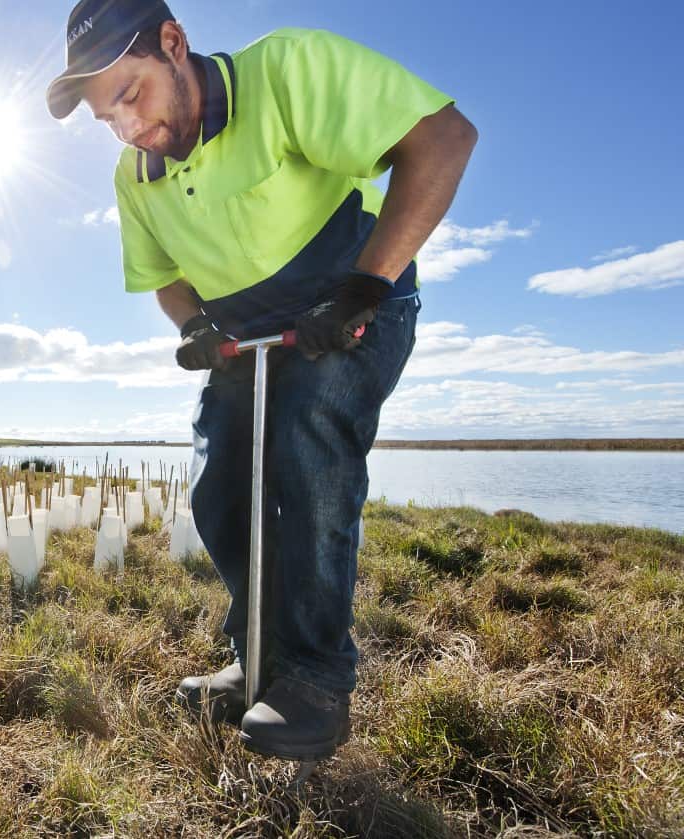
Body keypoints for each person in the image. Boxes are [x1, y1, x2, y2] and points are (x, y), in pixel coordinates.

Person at [46, 0, 475, 762]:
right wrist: (194, 326)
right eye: (108, 119)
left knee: (309, 443)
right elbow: (165, 277)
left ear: (173, 42)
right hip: (248, 339)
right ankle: (258, 656)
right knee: (220, 485)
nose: (128, 128)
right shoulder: (135, 174)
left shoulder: (285, 71)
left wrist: (364, 286)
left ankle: (316, 678)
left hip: (357, 306)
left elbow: (444, 139)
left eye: (132, 95)